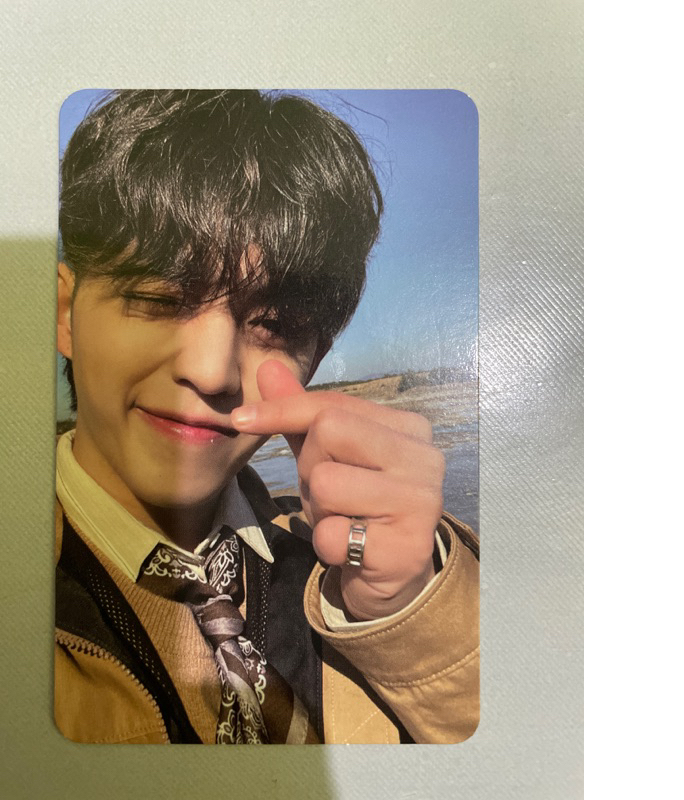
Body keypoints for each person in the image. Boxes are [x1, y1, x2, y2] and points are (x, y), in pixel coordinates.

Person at [54, 89, 479, 744]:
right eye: (159, 299)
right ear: (65, 314)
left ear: (316, 359)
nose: (211, 371)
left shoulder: (364, 566)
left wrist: (411, 614)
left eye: (275, 324)